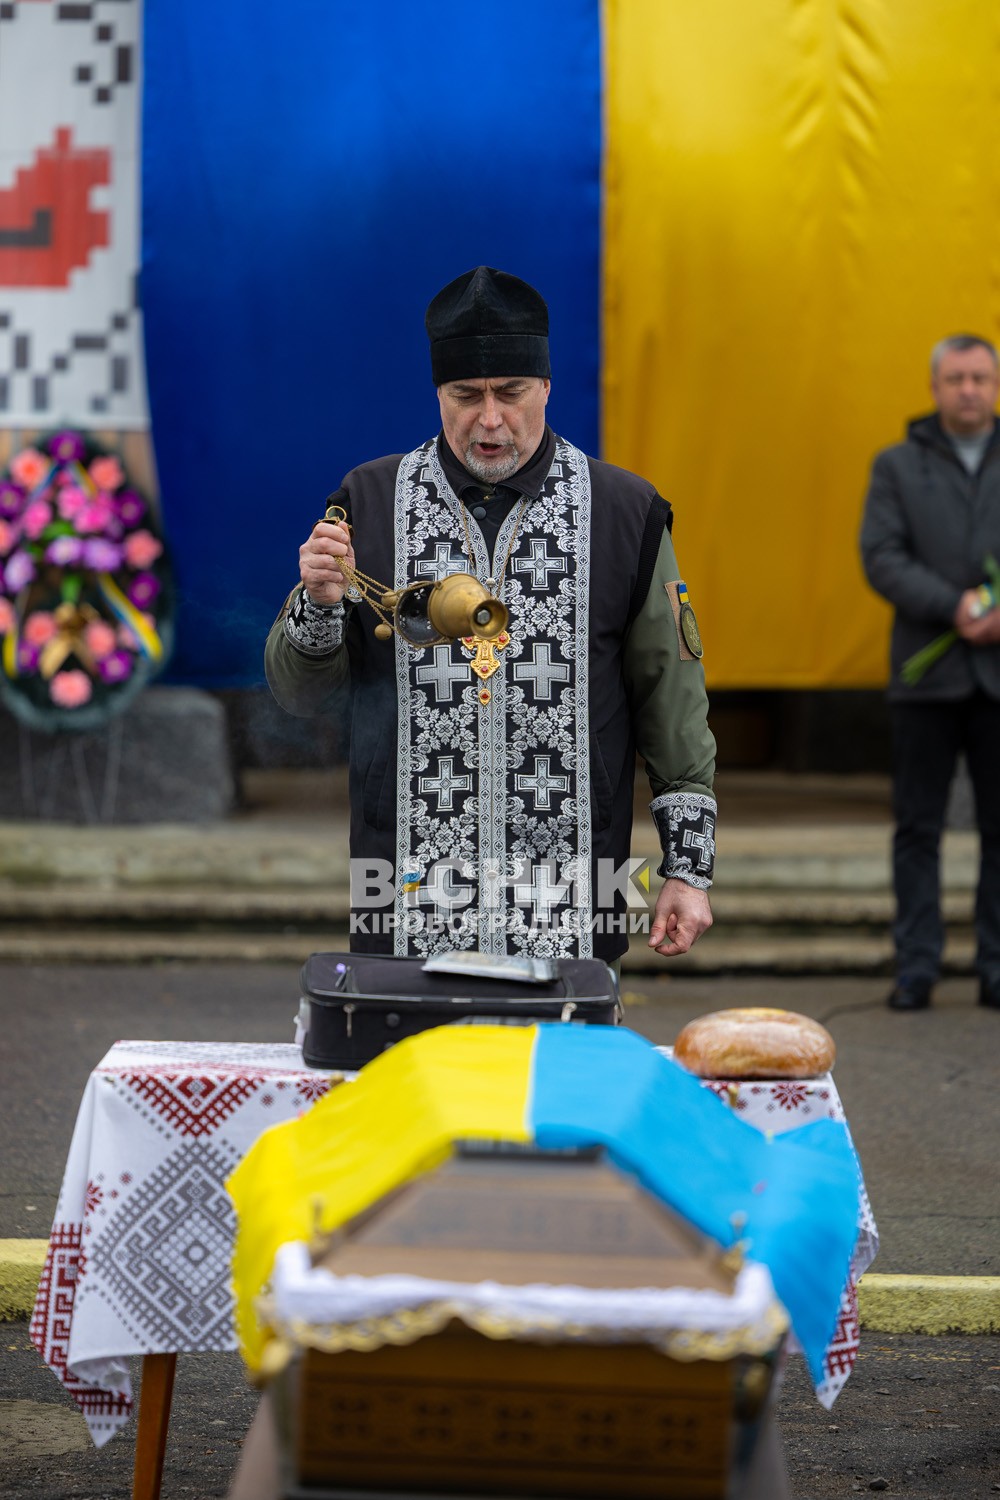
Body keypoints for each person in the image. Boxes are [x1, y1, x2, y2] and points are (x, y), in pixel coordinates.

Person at [265, 265, 716, 965]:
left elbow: (671, 701)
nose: (491, 419)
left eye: (511, 393)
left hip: (572, 889)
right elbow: (298, 695)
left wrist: (686, 869)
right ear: (437, 393)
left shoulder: (625, 513)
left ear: (546, 387)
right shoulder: (369, 501)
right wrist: (317, 606)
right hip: (407, 889)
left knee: (556, 1076)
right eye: (465, 395)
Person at [860, 333, 1000, 1011]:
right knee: (918, 826)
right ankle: (917, 965)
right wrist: (955, 605)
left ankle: (996, 965)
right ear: (935, 386)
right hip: (926, 681)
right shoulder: (897, 466)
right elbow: (881, 554)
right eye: (956, 378)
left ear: (995, 385)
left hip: (998, 675)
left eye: (980, 377)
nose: (968, 389)